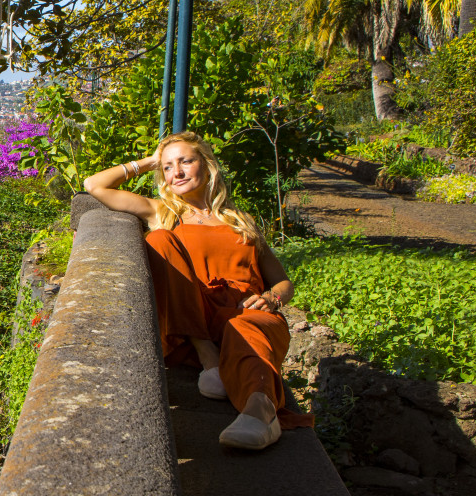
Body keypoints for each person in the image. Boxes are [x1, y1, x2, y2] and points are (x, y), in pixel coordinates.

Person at [83, 131, 312, 451]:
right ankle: (209, 356)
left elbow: (283, 282)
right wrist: (150, 161)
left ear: (207, 167)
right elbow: (94, 185)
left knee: (245, 326)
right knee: (159, 241)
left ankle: (261, 414)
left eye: (186, 161)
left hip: (246, 311)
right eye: (167, 167)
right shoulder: (162, 212)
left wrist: (272, 299)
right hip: (193, 319)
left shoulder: (241, 222)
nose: (176, 172)